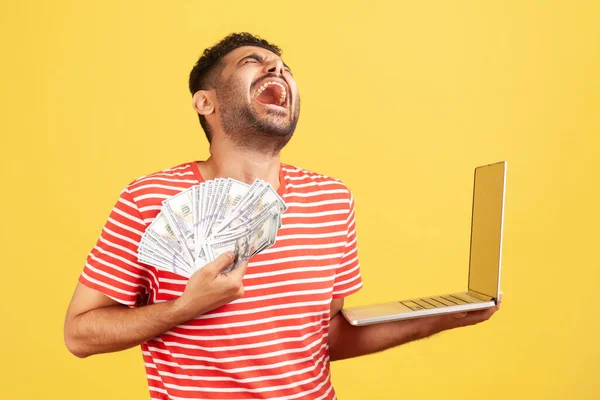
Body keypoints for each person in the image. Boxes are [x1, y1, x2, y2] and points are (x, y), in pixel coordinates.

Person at [64, 32, 501, 399]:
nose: (277, 70)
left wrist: (440, 318)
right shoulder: (149, 198)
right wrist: (183, 308)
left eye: (283, 67)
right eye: (253, 62)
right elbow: (79, 334)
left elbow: (323, 338)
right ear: (205, 103)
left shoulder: (332, 198)